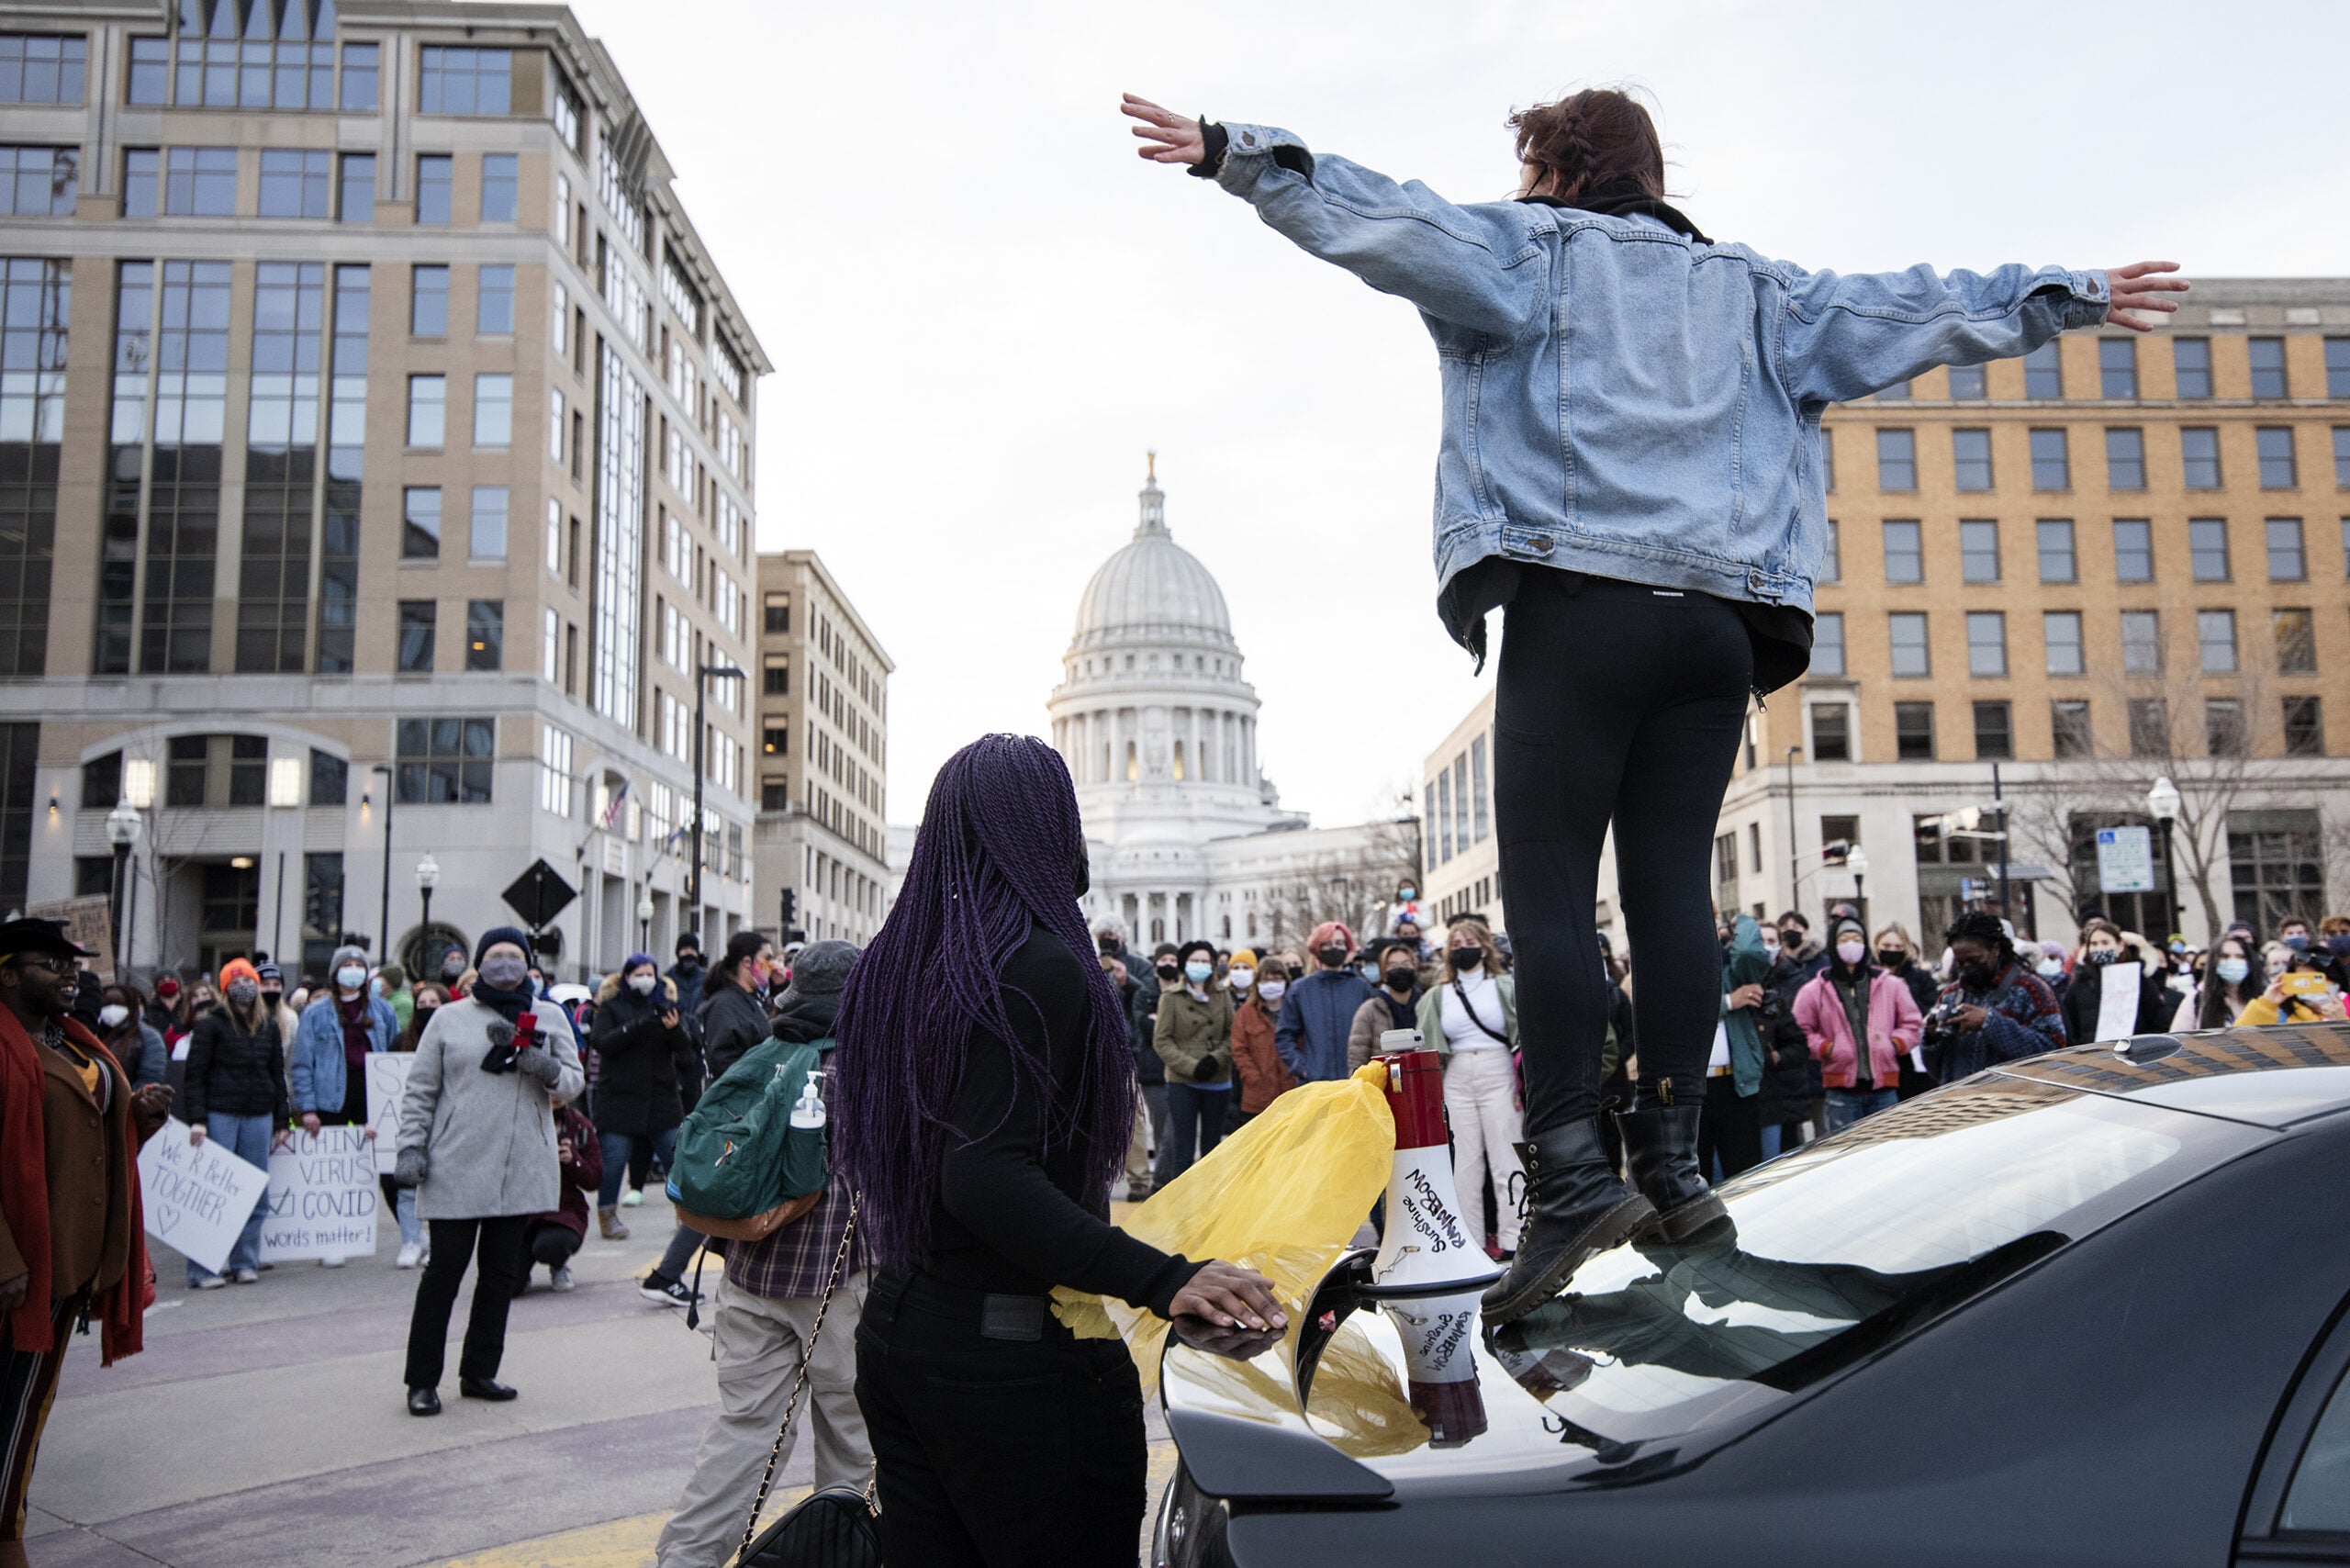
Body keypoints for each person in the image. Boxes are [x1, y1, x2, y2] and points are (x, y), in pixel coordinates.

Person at [1119, 84, 2190, 1326]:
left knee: (1551, 895)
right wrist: (2071, 294)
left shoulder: (1535, 253)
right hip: (1721, 630)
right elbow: (1920, 307)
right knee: (1674, 891)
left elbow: (1386, 221)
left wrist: (1234, 158)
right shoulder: (1763, 292)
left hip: (1585, 610)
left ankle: (1573, 1177)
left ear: (1558, 170)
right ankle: (1675, 1168)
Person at [834, 734, 1282, 1564]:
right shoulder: (1037, 964)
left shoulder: (893, 967)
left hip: (904, 1325)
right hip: (1014, 1360)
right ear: (1051, 826)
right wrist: (1165, 1279)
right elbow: (985, 1173)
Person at [655, 946, 873, 1568]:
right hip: (842, 1282)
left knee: (741, 1434)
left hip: (750, 1277)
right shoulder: (867, 1067)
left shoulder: (764, 1056)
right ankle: (845, 1559)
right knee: (853, 1444)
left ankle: (685, 1560)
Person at [0, 921, 166, 1567]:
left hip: (67, 1265)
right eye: (52, 964)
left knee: (25, 1415)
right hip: (19, 1271)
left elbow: (79, 1145)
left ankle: (7, 1520)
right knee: (9, 1419)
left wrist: (137, 1121)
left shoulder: (73, 1042)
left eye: (74, 966)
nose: (71, 975)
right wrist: (6, 1260)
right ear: (7, 973)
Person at [396, 928, 584, 1416]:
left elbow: (573, 1081)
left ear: (528, 963)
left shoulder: (547, 1015)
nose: (506, 964)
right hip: (456, 1165)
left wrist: (537, 1063)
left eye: (515, 956)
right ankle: (422, 1381)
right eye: (496, 956)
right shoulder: (449, 1019)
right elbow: (420, 1091)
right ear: (478, 965)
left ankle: (480, 1371)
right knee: (444, 1274)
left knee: (500, 1275)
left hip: (519, 1168)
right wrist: (411, 1148)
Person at [288, 944, 401, 1267]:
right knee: (331, 1172)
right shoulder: (315, 1013)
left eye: (358, 964)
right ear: (336, 973)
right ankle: (332, 1238)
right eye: (346, 964)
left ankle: (411, 1235)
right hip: (330, 1096)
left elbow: (394, 1055)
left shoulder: (383, 1011)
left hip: (374, 1094)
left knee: (389, 1168)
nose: (353, 969)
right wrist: (307, 1108)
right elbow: (302, 1064)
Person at [1416, 918, 1522, 1257]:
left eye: (1469, 940)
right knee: (1465, 1163)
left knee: (1507, 1157)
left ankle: (1514, 1238)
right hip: (1458, 1073)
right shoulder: (1438, 995)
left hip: (1498, 1068)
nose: (1463, 946)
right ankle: (1470, 1242)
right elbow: (1427, 1041)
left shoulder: (1504, 985)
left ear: (1484, 946)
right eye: (1456, 942)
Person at [182, 958, 289, 1287]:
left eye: (248, 980)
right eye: (236, 980)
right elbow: (195, 1075)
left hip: (259, 1114)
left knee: (255, 1193)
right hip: (220, 1114)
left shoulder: (268, 1025)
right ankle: (204, 1268)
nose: (243, 986)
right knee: (213, 1193)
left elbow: (276, 1074)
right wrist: (198, 1119)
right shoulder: (211, 1024)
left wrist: (282, 1119)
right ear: (225, 988)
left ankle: (245, 1262)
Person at [589, 954, 695, 1243]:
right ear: (626, 977)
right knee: (614, 1160)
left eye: (651, 973)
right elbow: (602, 1042)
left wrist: (673, 1029)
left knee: (676, 1158)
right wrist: (637, 1025)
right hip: (619, 1097)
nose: (646, 979)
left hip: (661, 1097)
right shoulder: (612, 1008)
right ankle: (607, 1214)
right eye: (640, 973)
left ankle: (686, 1215)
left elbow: (685, 1051)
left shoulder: (666, 1007)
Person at [1794, 917, 1924, 1132]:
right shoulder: (1814, 989)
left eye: (1857, 939)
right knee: (1845, 1154)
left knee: (1886, 1151)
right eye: (1844, 939)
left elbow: (1912, 1024)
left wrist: (1894, 1045)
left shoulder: (1890, 984)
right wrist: (1826, 1048)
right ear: (1833, 945)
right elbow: (1800, 1031)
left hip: (1885, 1088)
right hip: (1840, 1092)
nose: (1851, 944)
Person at [1926, 911, 2069, 1084]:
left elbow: (2054, 1052)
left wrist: (1989, 1022)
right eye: (1961, 962)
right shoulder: (1951, 994)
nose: (1967, 968)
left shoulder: (2031, 989)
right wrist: (1931, 1038)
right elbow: (1935, 1069)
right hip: (1959, 1102)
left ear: (1995, 949)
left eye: (1975, 960)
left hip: (2017, 1101)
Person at [1151, 938, 1234, 1186]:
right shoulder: (1171, 997)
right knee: (1182, 1149)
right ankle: (1181, 1206)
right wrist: (1191, 1066)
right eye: (1194, 961)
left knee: (1212, 1149)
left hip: (1217, 1080)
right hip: (1182, 1082)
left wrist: (1215, 1060)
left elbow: (1233, 1034)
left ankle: (1210, 1205)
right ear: (1185, 964)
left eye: (1204, 961)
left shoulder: (1222, 995)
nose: (1199, 965)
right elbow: (1162, 1040)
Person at [1274, 921, 1373, 1084]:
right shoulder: (1300, 990)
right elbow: (1285, 1035)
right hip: (1314, 1084)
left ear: (1347, 946)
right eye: (1327, 943)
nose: (1334, 948)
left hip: (1355, 1083)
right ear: (1317, 948)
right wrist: (1302, 1067)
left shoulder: (1361, 988)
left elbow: (1374, 1033)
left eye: (1339, 943)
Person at [520, 1102, 600, 1294]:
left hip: (563, 1211)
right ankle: (522, 1267)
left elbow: (594, 1180)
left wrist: (573, 1161)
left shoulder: (579, 1126)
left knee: (551, 1244)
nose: (552, 1095)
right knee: (507, 1284)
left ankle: (558, 1265)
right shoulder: (519, 1120)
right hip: (522, 1213)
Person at [2060, 919, 2178, 1045]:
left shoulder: (2140, 981)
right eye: (2094, 944)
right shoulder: (2079, 985)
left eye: (2105, 943)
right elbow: (2070, 1027)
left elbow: (2159, 1021)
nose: (2099, 948)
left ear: (2120, 945)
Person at [1226, 952, 1294, 1134]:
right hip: (1257, 1096)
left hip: (1291, 1091)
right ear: (1257, 984)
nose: (1271, 984)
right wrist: (1253, 1077)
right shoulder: (1246, 1013)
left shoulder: (1295, 1010)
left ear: (1285, 981)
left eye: (1276, 978)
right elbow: (1238, 1049)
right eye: (1265, 980)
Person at [1868, 924, 1939, 1100]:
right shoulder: (1866, 977)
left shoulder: (1920, 978)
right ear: (1877, 946)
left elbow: (1931, 1012)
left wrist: (1906, 996)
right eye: (1887, 946)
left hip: (1912, 1058)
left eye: (1898, 947)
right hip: (1878, 1054)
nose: (1892, 951)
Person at [1346, 937, 1425, 1072]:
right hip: (1384, 1086)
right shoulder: (1370, 1010)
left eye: (1406, 964)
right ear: (1383, 972)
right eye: (1393, 966)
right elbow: (1356, 1060)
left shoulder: (1425, 1004)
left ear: (1414, 966)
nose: (1400, 969)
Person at [2236, 945, 2349, 1026]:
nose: (2312, 988)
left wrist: (2343, 1024)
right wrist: (2266, 1004)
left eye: (2318, 979)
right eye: (2303, 980)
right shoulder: (2279, 1014)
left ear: (2337, 981)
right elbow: (2239, 1040)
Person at [95, 982, 167, 1090]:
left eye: (118, 1004)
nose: (111, 1009)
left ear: (130, 1007)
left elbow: (150, 1079)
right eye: (107, 1004)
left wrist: (124, 1100)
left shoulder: (149, 1037)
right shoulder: (94, 1034)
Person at [2186, 933, 2260, 1030]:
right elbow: (2178, 1040)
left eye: (2240, 956)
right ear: (2214, 962)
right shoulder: (2197, 1001)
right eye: (2225, 956)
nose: (2233, 961)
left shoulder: (2262, 999)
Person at [393, 982, 449, 1052]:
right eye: (422, 1003)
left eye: (433, 1002)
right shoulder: (402, 1040)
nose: (427, 1005)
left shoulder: (455, 1035)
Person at [668, 933, 709, 1024]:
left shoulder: (706, 979)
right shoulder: (668, 979)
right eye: (685, 949)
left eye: (693, 949)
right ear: (678, 952)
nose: (689, 953)